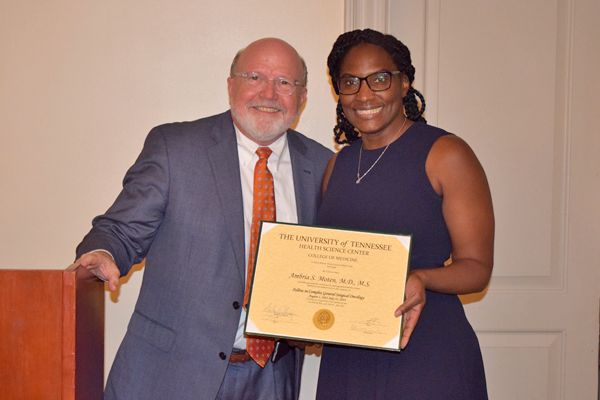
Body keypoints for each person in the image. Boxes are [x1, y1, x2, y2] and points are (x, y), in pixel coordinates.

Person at [75, 38, 332, 400]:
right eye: (255, 76)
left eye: (285, 83)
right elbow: (120, 230)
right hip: (170, 375)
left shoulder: (323, 166)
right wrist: (104, 252)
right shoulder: (175, 147)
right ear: (231, 86)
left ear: (302, 97)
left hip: (272, 380)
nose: (270, 93)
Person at [315, 29, 494, 399]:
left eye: (379, 79)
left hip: (424, 352)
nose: (365, 94)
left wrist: (421, 278)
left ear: (404, 82)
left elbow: (477, 268)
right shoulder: (337, 165)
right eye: (350, 82)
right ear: (338, 91)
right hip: (348, 356)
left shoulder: (446, 154)